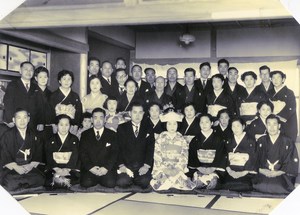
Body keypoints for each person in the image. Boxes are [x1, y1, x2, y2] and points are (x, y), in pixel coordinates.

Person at [150, 109, 196, 191]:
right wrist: (164, 169)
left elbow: (184, 155)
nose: (172, 126)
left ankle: (171, 181)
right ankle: (169, 181)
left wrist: (178, 169)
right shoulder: (160, 138)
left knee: (186, 185)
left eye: (174, 124)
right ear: (165, 125)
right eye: (169, 124)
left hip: (177, 168)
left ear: (178, 125)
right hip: (163, 168)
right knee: (161, 182)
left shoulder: (181, 139)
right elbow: (157, 155)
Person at [0, 108, 44, 191]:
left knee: (40, 178)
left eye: (24, 117)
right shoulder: (7, 135)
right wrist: (16, 167)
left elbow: (39, 152)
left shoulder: (35, 134)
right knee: (9, 180)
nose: (22, 120)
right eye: (19, 118)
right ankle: (26, 185)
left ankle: (21, 185)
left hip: (29, 167)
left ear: (28, 119)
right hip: (13, 169)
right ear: (13, 120)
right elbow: (4, 153)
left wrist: (30, 166)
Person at [253, 114, 299, 194]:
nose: (272, 127)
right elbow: (255, 159)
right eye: (269, 124)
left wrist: (278, 172)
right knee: (260, 185)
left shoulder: (288, 141)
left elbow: (292, 160)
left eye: (274, 124)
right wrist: (262, 170)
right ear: (266, 126)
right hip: (265, 172)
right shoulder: (261, 141)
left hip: (282, 173)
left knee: (278, 186)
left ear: (279, 125)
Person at [116, 102, 155, 189]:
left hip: (141, 166)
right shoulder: (122, 128)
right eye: (135, 112)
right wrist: (121, 166)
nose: (137, 115)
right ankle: (130, 179)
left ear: (144, 113)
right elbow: (118, 148)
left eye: (140, 112)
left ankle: (134, 179)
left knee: (145, 182)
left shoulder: (148, 127)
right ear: (130, 113)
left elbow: (150, 148)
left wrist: (146, 166)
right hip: (126, 166)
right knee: (122, 182)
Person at [80, 108, 119, 188]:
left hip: (106, 168)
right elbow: (82, 154)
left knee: (110, 183)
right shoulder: (85, 134)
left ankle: (101, 178)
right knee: (85, 183)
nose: (98, 121)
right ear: (91, 119)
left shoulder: (112, 134)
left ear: (105, 119)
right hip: (91, 168)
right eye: (95, 118)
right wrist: (91, 168)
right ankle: (96, 178)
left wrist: (106, 168)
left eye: (101, 118)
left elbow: (114, 153)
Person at [188, 114, 227, 189]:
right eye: (201, 122)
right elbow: (192, 157)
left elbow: (221, 156)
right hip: (199, 169)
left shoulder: (219, 139)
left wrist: (211, 170)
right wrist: (200, 169)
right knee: (197, 184)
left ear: (211, 123)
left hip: (214, 169)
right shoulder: (195, 140)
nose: (204, 125)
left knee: (212, 184)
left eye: (206, 122)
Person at [44, 114, 80, 189]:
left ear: (70, 126)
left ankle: (58, 181)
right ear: (57, 125)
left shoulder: (74, 139)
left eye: (66, 125)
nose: (64, 128)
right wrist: (57, 169)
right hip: (55, 168)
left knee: (79, 178)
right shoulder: (51, 139)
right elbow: (48, 156)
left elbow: (75, 156)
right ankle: (63, 181)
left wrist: (67, 169)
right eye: (61, 125)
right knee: (45, 179)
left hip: (69, 168)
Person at [222, 118, 257, 191]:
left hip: (246, 171)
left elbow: (253, 158)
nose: (236, 129)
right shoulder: (228, 140)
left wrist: (243, 173)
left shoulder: (251, 141)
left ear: (243, 127)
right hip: (231, 170)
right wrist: (230, 171)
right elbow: (225, 158)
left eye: (238, 126)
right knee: (226, 184)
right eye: (233, 126)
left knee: (245, 185)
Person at [3, 61, 37, 127]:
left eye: (31, 70)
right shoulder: (13, 85)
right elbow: (8, 103)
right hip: (16, 122)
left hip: (31, 123)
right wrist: (10, 120)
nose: (28, 72)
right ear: (20, 71)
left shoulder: (35, 87)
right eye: (26, 69)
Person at [50, 70, 82, 135]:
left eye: (69, 79)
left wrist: (76, 125)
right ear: (59, 81)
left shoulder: (75, 96)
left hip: (71, 126)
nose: (66, 81)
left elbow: (79, 112)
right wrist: (53, 125)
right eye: (64, 79)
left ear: (72, 81)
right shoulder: (53, 95)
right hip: (58, 125)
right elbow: (50, 111)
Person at [269, 70, 298, 143]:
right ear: (271, 80)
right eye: (273, 78)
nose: (276, 80)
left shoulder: (289, 92)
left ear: (283, 79)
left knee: (287, 144)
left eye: (278, 77)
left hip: (287, 121)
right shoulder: (269, 93)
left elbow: (291, 107)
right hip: (273, 122)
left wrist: (278, 117)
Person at [29, 66, 53, 140]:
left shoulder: (51, 94)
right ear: (36, 78)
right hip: (35, 127)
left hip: (49, 128)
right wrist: (39, 122)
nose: (43, 79)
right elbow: (32, 111)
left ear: (48, 78)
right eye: (40, 77)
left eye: (45, 77)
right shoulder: (31, 92)